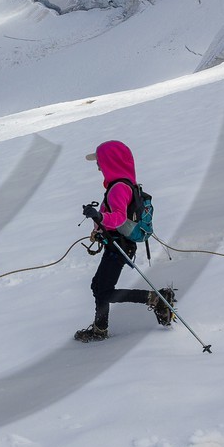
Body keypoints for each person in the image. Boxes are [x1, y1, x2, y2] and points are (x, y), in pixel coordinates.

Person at [73, 140, 175, 342]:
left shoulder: (119, 187)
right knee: (98, 287)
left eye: (100, 161)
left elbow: (118, 217)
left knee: (103, 290)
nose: (98, 165)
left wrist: (100, 217)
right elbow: (115, 217)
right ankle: (100, 327)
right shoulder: (119, 184)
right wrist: (97, 225)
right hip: (117, 244)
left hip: (120, 246)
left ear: (111, 161)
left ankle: (156, 299)